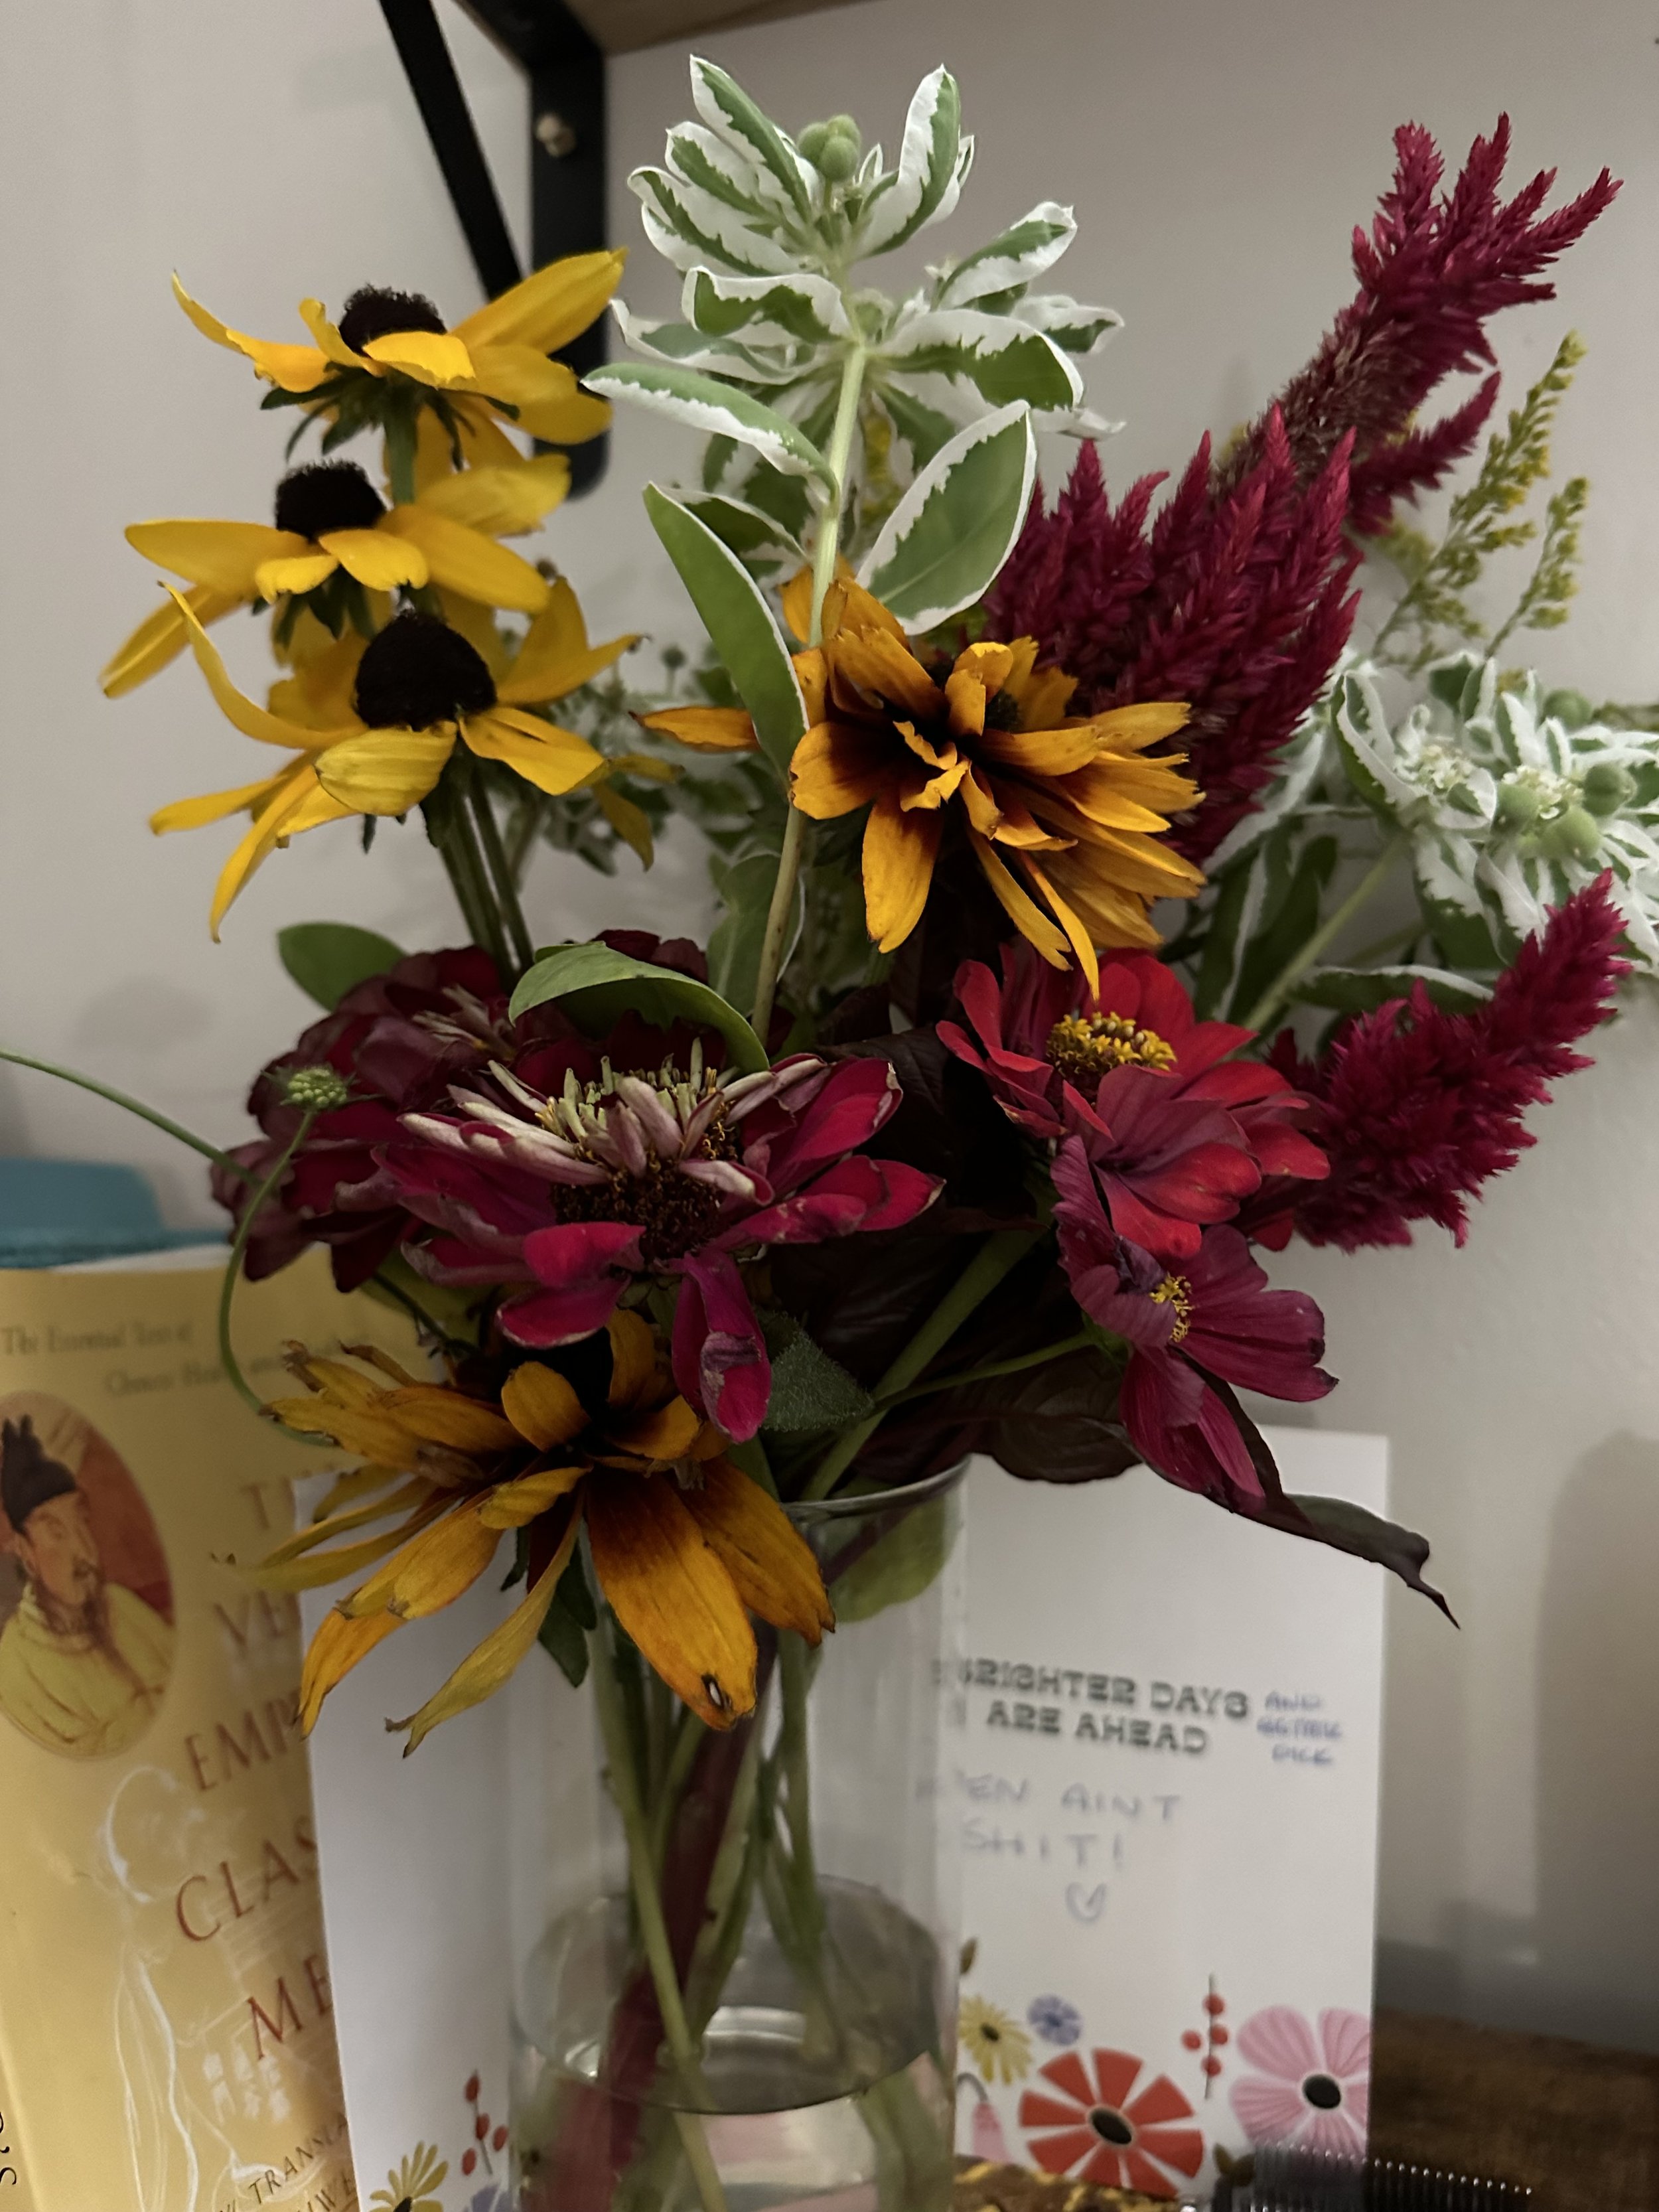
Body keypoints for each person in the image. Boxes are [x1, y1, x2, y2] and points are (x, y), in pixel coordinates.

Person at [0, 1416, 173, 1756]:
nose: (84, 1551)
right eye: (57, 1533)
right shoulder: (14, 1664)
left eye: (82, 1521)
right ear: (25, 1552)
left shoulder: (120, 1604)